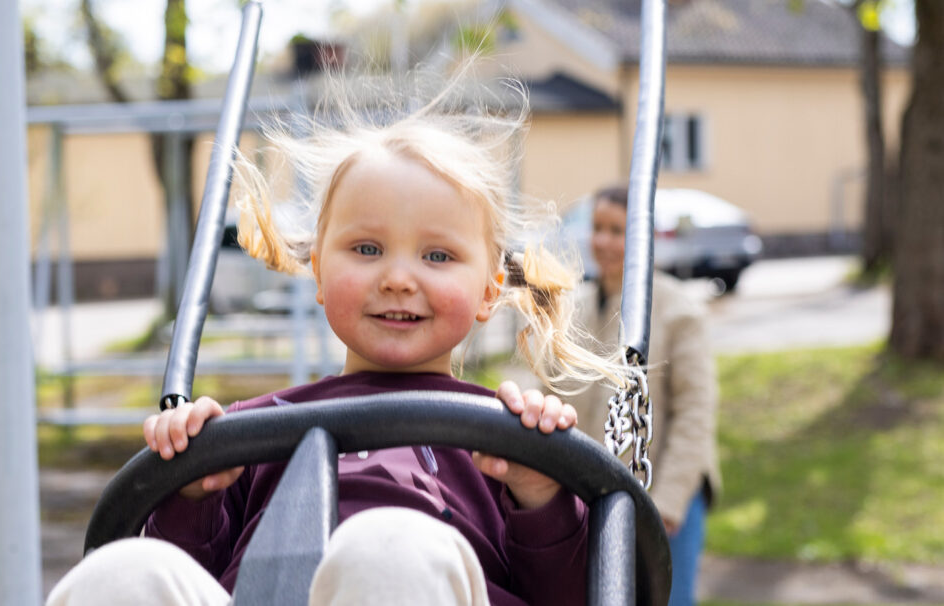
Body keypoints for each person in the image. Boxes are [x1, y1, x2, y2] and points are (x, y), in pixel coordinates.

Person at [46, 74, 628, 606]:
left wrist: (542, 497)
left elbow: (570, 595)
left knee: (386, 547)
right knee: (123, 571)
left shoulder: (507, 443)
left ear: (488, 290)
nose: (398, 277)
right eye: (367, 249)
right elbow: (198, 570)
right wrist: (192, 496)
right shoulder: (253, 433)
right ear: (319, 271)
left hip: (420, 582)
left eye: (437, 255)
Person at [564, 185, 721, 606]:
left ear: (643, 237)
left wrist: (668, 501)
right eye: (598, 228)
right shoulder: (576, 308)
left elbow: (695, 411)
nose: (603, 241)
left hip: (666, 500)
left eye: (618, 230)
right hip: (596, 497)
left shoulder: (678, 311)